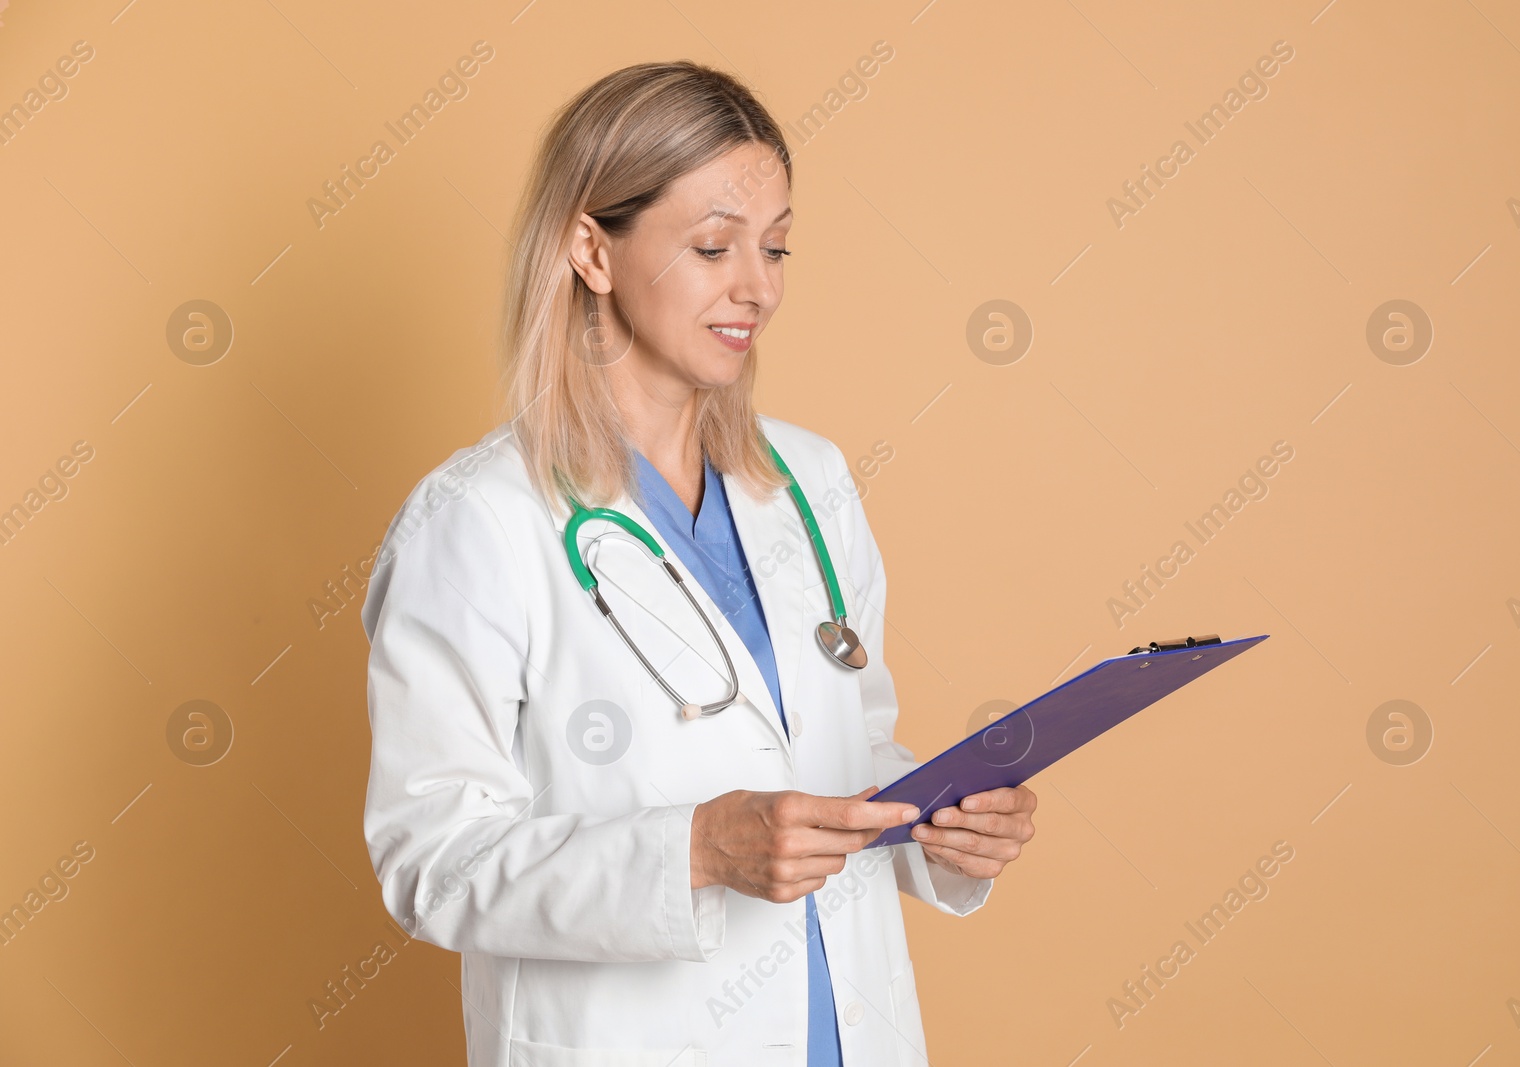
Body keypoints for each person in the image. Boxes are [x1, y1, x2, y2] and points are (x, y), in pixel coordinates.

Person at [360, 60, 1036, 1067]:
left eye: (775, 247)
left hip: (844, 1032)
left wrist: (944, 819)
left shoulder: (809, 480)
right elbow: (431, 860)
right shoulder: (478, 520)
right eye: (713, 246)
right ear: (591, 247)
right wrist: (693, 849)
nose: (756, 287)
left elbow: (848, 747)